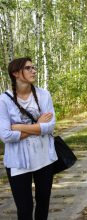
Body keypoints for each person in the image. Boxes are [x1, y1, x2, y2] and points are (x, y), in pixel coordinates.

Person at [0, 57, 57, 220]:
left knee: (43, 202)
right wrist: (38, 126)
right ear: (16, 73)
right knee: (24, 208)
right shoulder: (4, 100)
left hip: (44, 157)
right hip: (18, 162)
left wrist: (18, 127)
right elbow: (5, 135)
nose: (34, 71)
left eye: (34, 67)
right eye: (28, 68)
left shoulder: (44, 94)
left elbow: (50, 126)